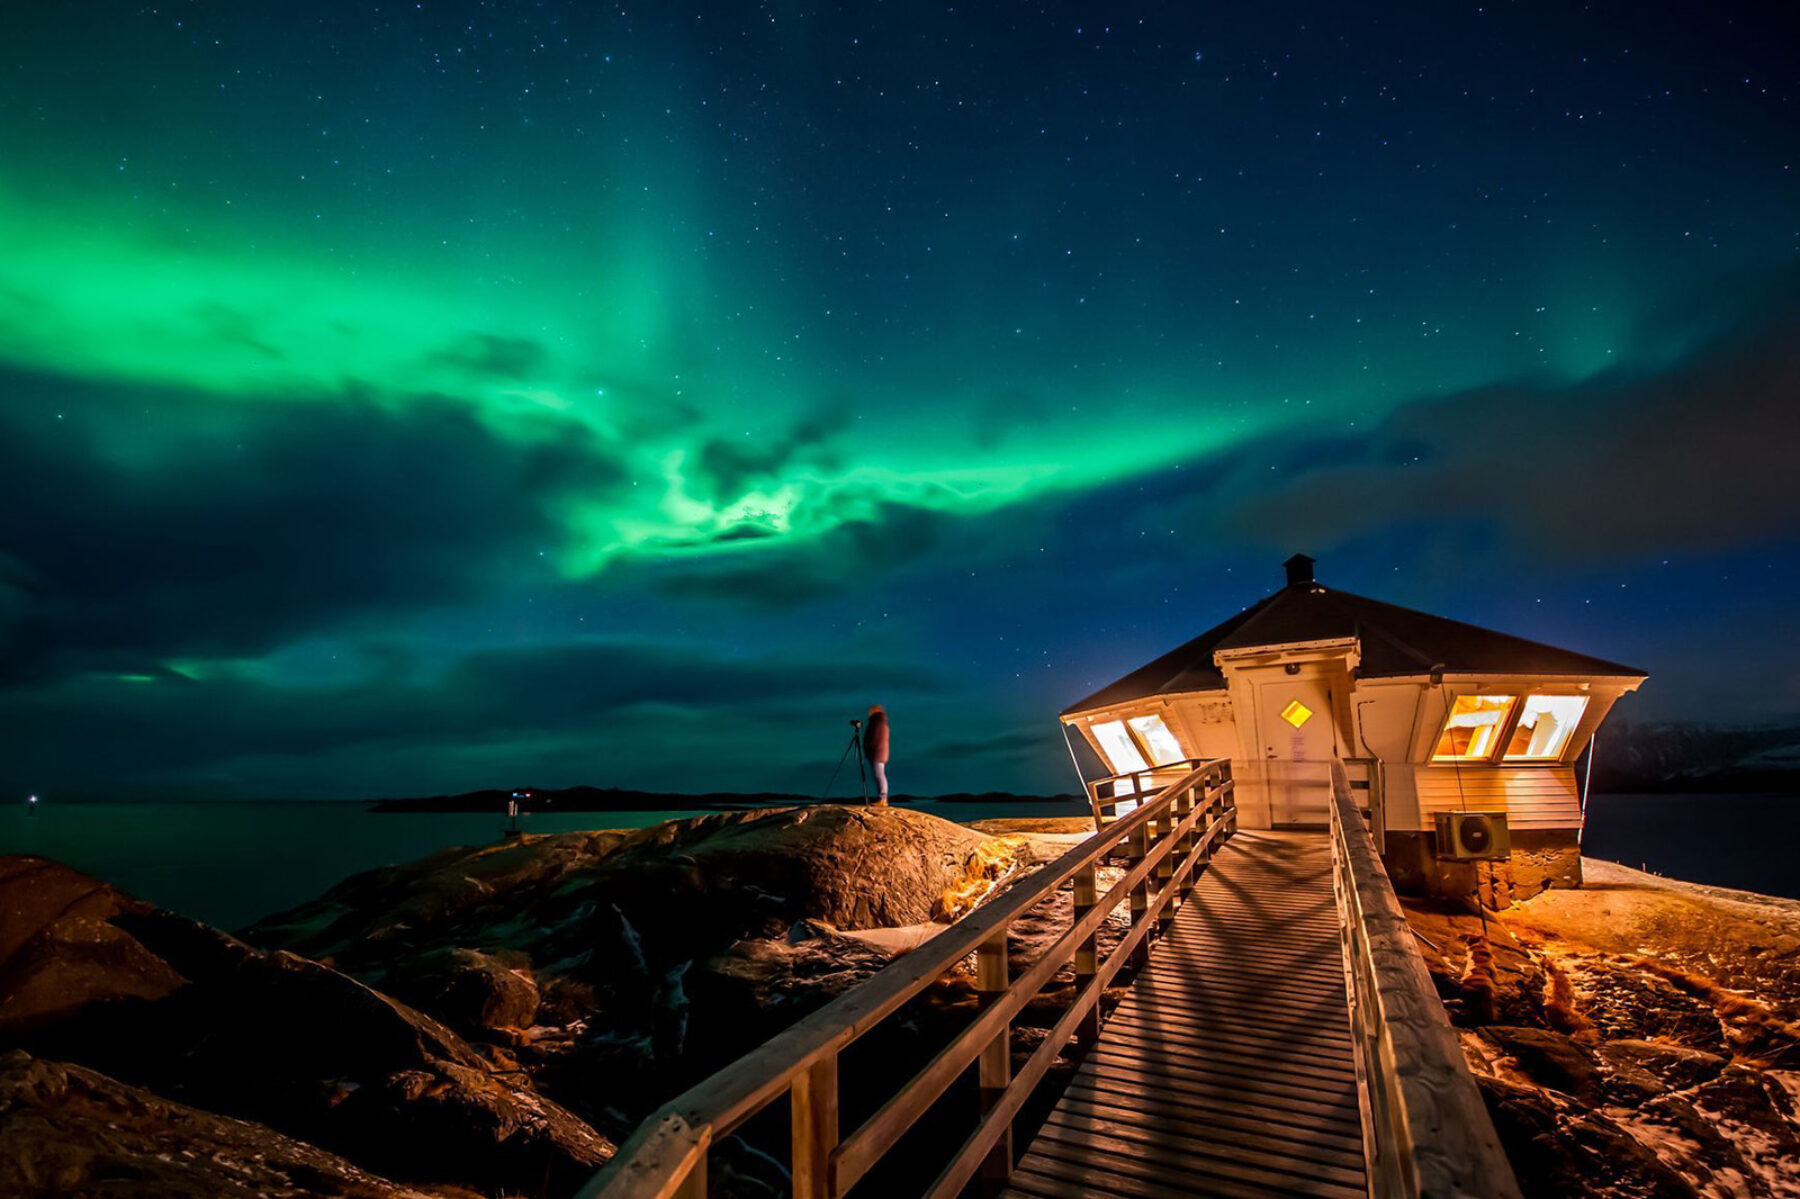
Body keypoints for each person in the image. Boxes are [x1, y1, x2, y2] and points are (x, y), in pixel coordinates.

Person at [862, 705, 891, 804]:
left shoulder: (877, 723)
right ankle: (882, 798)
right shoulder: (882, 723)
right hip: (879, 753)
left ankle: (883, 798)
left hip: (877, 753)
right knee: (879, 774)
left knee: (879, 775)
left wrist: (869, 749)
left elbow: (874, 739)